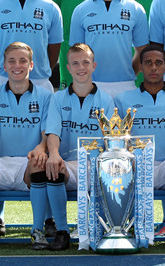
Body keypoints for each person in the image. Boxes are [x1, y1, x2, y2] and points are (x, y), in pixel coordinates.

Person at [0, 42, 55, 249]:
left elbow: (47, 135)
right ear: (4, 65)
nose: (17, 65)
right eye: (12, 61)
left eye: (22, 61)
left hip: (29, 164)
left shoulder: (46, 96)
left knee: (39, 160)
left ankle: (37, 231)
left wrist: (41, 148)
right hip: (0, 164)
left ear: (31, 65)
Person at [114, 44, 165, 247]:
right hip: (136, 168)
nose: (153, 68)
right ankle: (129, 225)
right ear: (140, 67)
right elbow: (116, 141)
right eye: (148, 63)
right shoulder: (123, 99)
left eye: (158, 63)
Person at [44, 43, 115, 250]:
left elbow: (110, 137)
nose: (81, 67)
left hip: (97, 165)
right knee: (53, 168)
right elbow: (53, 132)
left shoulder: (106, 100)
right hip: (68, 163)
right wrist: (54, 154)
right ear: (68, 68)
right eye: (75, 63)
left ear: (94, 65)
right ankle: (62, 231)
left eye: (85, 62)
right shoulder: (57, 98)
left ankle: (101, 228)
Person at [70, 0, 148, 97]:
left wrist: (129, 73)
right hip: (90, 86)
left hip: (126, 86)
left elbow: (142, 50)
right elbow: (76, 53)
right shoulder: (81, 10)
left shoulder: (136, 9)